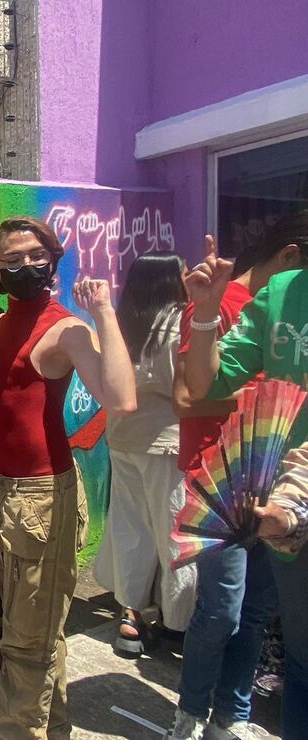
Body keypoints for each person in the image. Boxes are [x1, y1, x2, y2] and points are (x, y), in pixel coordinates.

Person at [0, 216, 136, 740]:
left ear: (53, 258)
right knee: (38, 630)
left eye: (35, 255)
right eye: (13, 260)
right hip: (8, 491)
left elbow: (121, 398)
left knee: (27, 643)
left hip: (40, 499)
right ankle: (55, 726)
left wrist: (104, 312)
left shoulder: (64, 327)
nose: (26, 266)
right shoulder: (1, 324)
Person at [181, 209, 308, 740]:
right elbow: (200, 387)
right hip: (283, 508)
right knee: (299, 657)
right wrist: (206, 314)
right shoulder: (281, 293)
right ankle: (202, 713)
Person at [98, 253, 196, 656]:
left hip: (123, 438)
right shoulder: (179, 321)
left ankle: (129, 614)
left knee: (130, 526)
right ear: (169, 279)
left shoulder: (120, 322)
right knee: (175, 530)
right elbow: (186, 386)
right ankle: (179, 621)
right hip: (167, 442)